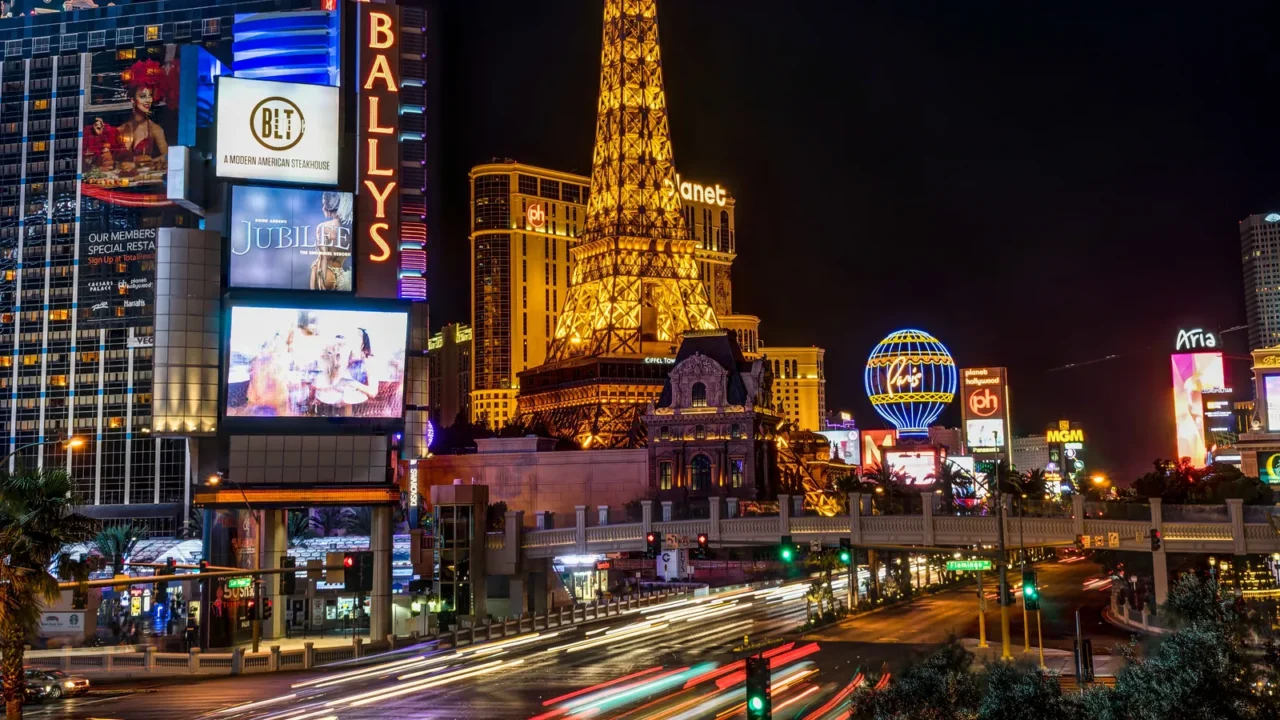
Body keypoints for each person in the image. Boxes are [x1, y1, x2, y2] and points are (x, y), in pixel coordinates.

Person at [115, 59, 169, 176]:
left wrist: (138, 164)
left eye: (150, 96)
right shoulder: (120, 130)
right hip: (123, 180)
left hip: (147, 181)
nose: (148, 100)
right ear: (133, 99)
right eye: (143, 96)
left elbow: (167, 156)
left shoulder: (155, 129)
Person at [310, 192, 353, 291]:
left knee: (314, 303)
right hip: (342, 275)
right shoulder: (352, 230)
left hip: (325, 273)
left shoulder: (323, 227)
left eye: (323, 204)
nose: (322, 208)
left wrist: (322, 285)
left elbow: (323, 257)